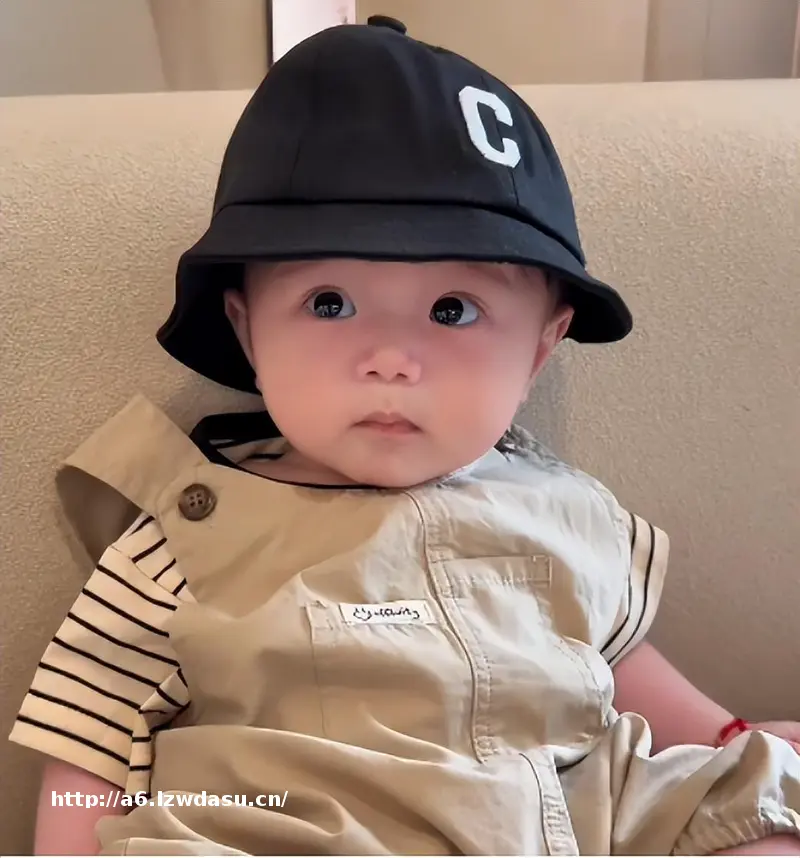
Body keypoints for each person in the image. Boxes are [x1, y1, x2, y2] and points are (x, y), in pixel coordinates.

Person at [9, 15, 800, 857]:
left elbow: (617, 656)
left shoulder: (566, 510)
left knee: (758, 805)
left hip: (570, 814)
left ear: (541, 349)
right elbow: (88, 741)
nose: (390, 357)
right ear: (247, 330)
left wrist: (727, 735)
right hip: (293, 830)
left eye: (453, 310)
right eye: (330, 303)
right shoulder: (182, 538)